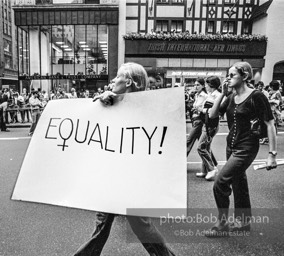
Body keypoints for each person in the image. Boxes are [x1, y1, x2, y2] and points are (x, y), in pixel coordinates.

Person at [73, 62, 176, 256]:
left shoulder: (148, 109)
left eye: (117, 77)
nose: (112, 80)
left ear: (128, 81)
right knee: (105, 226)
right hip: (113, 176)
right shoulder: (110, 103)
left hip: (131, 179)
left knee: (138, 227)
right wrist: (101, 105)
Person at [205, 61, 277, 237]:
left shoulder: (257, 96)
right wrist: (222, 94)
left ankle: (222, 224)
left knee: (220, 182)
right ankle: (243, 222)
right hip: (231, 145)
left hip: (247, 146)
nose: (228, 79)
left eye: (232, 75)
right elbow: (213, 115)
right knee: (239, 183)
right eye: (227, 75)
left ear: (244, 76)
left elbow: (270, 124)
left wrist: (272, 154)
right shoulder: (230, 97)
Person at [196, 76, 221, 181]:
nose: (205, 86)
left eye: (206, 84)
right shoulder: (211, 95)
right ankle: (205, 170)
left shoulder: (218, 96)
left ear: (211, 85)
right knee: (206, 148)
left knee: (200, 147)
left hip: (211, 124)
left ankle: (211, 169)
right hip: (207, 123)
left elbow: (213, 112)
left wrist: (202, 110)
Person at [186, 78, 207, 157]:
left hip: (199, 121)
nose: (196, 87)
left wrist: (198, 109)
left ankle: (180, 162)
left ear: (203, 86)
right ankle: (213, 163)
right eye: (195, 85)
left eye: (198, 85)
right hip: (194, 120)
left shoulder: (205, 96)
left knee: (189, 141)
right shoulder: (196, 95)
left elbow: (206, 109)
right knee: (202, 145)